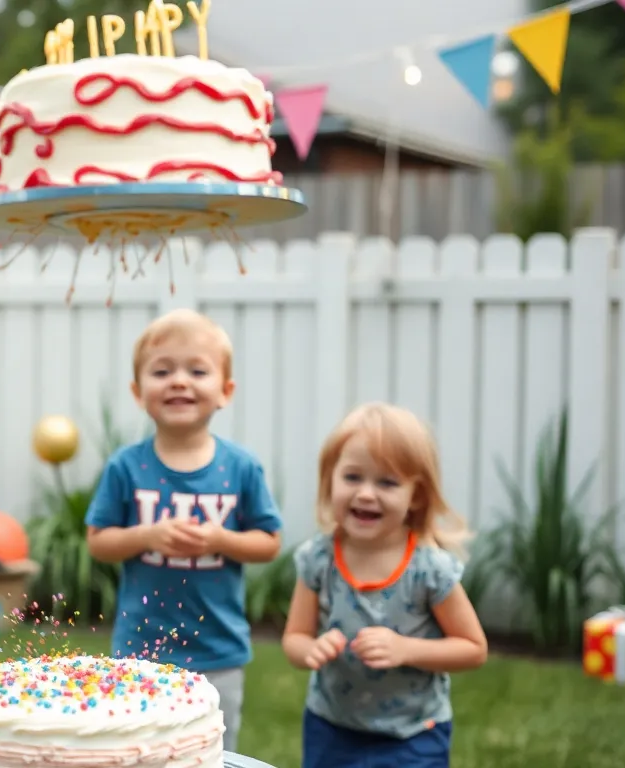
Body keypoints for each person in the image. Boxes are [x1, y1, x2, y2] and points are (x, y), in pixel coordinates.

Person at [84, 308, 284, 753]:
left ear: (225, 391)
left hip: (219, 652)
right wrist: (146, 536)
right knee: (138, 752)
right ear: (138, 393)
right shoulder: (127, 467)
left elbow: (269, 543)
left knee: (211, 753)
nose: (179, 381)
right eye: (162, 371)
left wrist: (221, 540)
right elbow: (99, 541)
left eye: (197, 370)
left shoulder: (241, 468)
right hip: (141, 651)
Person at [282, 402, 487, 768]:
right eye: (352, 477)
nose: (365, 493)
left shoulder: (430, 569)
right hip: (331, 727)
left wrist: (406, 649)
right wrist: (311, 649)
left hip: (414, 733)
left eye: (387, 482)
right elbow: (294, 637)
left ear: (417, 495)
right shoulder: (318, 558)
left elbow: (473, 648)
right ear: (330, 479)